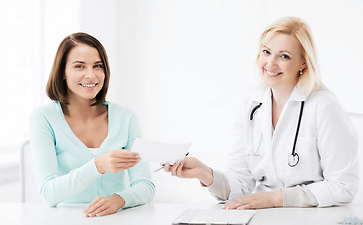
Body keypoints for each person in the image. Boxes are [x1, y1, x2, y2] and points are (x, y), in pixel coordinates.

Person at [164, 17, 359, 209]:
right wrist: (204, 173)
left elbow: (343, 186)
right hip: (265, 217)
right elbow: (241, 184)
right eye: (266, 52)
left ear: (303, 63)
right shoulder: (251, 106)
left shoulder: (324, 106)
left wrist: (276, 199)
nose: (270, 63)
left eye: (284, 56)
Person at [29, 32, 155, 217]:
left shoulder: (126, 117)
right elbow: (49, 193)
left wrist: (119, 199)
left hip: (117, 218)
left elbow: (145, 185)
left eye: (98, 66)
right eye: (79, 66)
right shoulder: (43, 118)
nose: (91, 75)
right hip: (66, 219)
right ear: (62, 72)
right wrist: (99, 165)